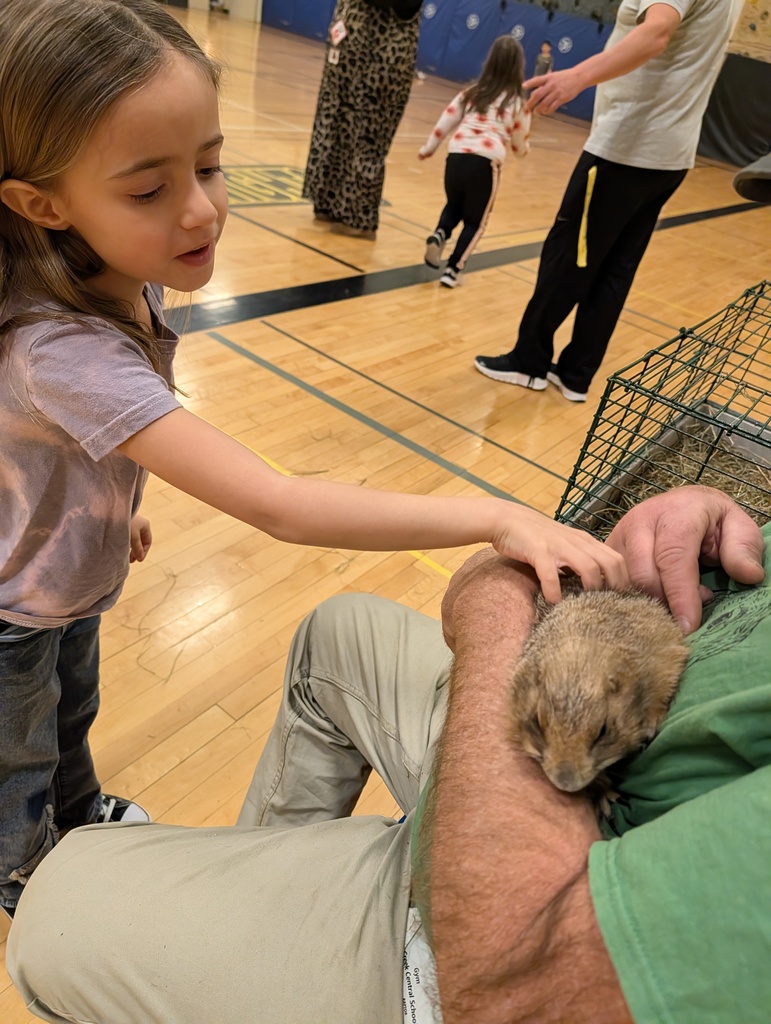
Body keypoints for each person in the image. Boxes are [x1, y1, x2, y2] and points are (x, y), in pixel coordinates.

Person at [0, 0, 624, 919]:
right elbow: (279, 504)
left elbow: (66, 441)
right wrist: (495, 515)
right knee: (16, 747)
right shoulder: (60, 348)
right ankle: (21, 866)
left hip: (70, 576)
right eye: (149, 189)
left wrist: (112, 501)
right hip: (14, 607)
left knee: (70, 715)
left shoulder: (111, 272)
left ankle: (76, 810)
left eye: (209, 165)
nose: (203, 207)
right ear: (41, 203)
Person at [6, 485, 770, 1023]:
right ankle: (267, 907)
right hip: (601, 724)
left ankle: (299, 946)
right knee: (337, 634)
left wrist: (489, 611)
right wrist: (706, 508)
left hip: (527, 911)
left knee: (52, 911)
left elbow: (522, 983)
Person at [474, 0, 734, 402]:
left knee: (567, 256)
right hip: (670, 154)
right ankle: (577, 375)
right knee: (615, 267)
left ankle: (529, 362)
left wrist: (577, 76)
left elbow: (657, 32)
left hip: (627, 148)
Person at [302, 0, 423, 240]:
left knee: (368, 133)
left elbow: (407, 6)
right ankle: (329, 202)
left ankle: (358, 217)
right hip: (347, 55)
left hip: (381, 56)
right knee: (333, 125)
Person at [418, 36, 531, 289]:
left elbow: (445, 121)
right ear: (518, 67)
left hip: (456, 155)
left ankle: (440, 234)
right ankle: (453, 269)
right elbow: (519, 144)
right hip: (486, 162)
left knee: (454, 205)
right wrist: (524, 152)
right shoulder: (518, 102)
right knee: (476, 221)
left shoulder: (471, 91)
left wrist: (428, 149)